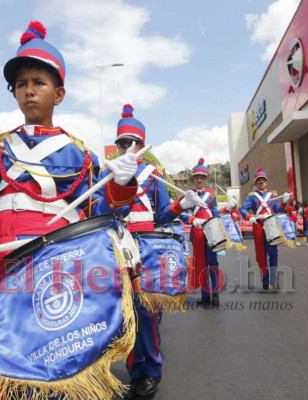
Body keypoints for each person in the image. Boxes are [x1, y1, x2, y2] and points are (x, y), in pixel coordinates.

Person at [0, 21, 139, 399]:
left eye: (39, 82)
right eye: (21, 84)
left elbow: (104, 212)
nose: (29, 91)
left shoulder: (80, 154)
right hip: (6, 271)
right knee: (6, 372)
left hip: (61, 272)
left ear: (59, 93)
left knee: (59, 371)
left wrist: (120, 183)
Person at [111, 104, 197, 400]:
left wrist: (180, 206)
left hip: (147, 247)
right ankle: (136, 370)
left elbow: (161, 214)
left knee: (146, 313)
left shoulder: (154, 175)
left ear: (142, 146)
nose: (127, 148)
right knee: (125, 314)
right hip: (119, 246)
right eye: (122, 143)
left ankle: (152, 371)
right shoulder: (109, 172)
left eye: (132, 143)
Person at [179, 158, 223, 306]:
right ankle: (205, 295)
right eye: (196, 177)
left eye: (201, 177)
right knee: (201, 264)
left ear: (205, 178)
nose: (199, 180)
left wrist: (225, 211)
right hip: (197, 231)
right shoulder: (189, 194)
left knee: (213, 263)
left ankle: (215, 294)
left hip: (211, 231)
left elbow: (215, 211)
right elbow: (181, 213)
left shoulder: (212, 193)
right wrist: (192, 220)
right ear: (194, 179)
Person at [239, 167, 290, 290]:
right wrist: (249, 217)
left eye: (263, 180)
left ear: (266, 182)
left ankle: (274, 279)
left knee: (273, 253)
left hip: (271, 226)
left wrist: (284, 202)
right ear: (256, 183)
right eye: (258, 181)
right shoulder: (252, 197)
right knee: (261, 255)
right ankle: (265, 279)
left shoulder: (272, 196)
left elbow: (278, 210)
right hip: (258, 226)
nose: (261, 182)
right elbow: (242, 209)